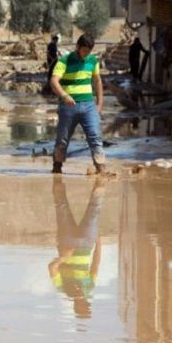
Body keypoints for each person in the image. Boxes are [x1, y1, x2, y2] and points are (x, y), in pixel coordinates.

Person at [48, 176, 104, 319]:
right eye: (86, 305)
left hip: (67, 243)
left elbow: (52, 268)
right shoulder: (89, 287)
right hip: (86, 243)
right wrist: (98, 242)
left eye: (82, 306)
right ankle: (100, 181)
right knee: (94, 211)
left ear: (75, 306)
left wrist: (63, 258)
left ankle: (57, 175)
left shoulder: (63, 288)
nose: (84, 303)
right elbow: (96, 264)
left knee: (61, 207)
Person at [49, 34, 105, 175]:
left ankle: (101, 169)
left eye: (89, 51)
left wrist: (99, 104)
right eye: (84, 50)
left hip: (88, 106)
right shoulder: (64, 61)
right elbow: (54, 81)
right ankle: (57, 167)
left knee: (95, 137)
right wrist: (64, 95)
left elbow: (97, 81)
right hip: (68, 107)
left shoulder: (93, 61)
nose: (86, 54)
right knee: (62, 139)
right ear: (78, 47)